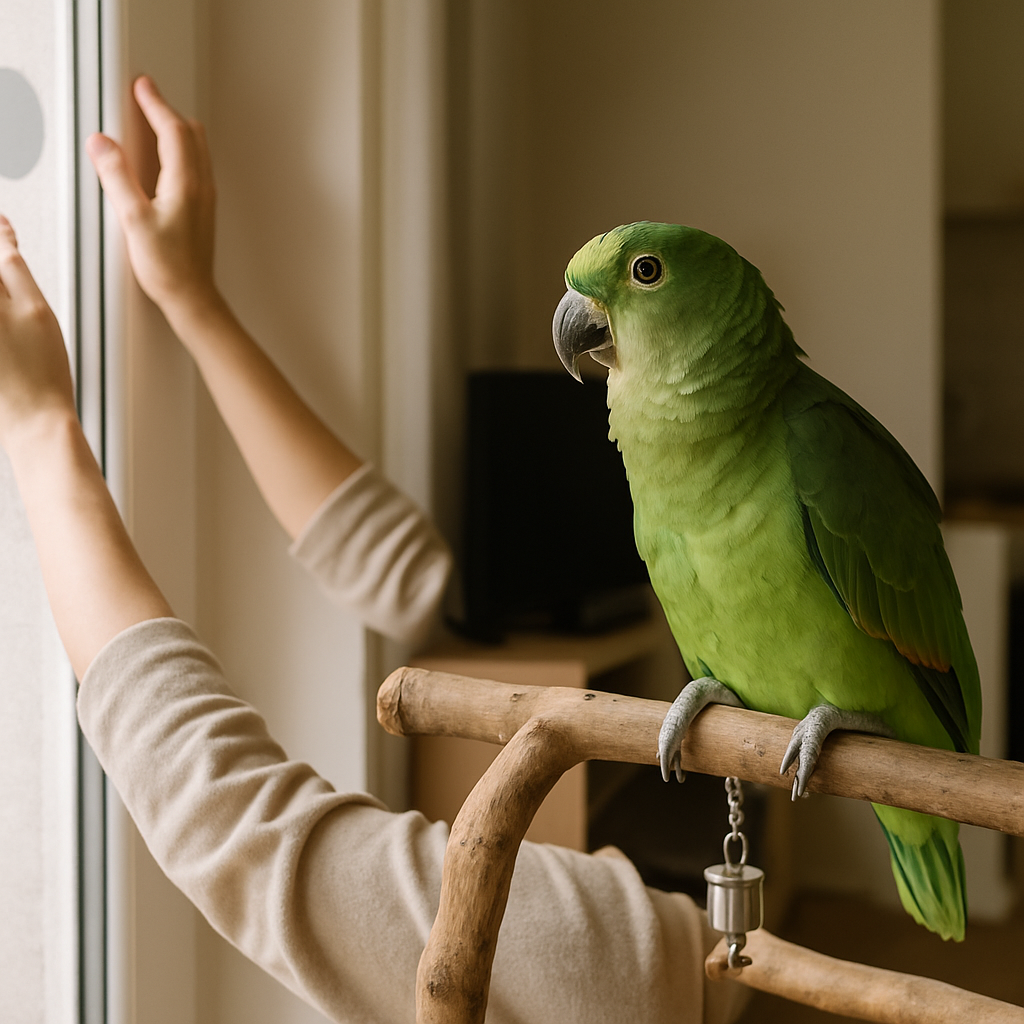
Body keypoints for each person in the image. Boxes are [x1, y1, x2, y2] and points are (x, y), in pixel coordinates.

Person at [0, 75, 745, 1023]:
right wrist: (193, 302)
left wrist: (38, 429)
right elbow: (425, 594)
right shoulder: (665, 961)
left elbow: (238, 827)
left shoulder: (608, 965)